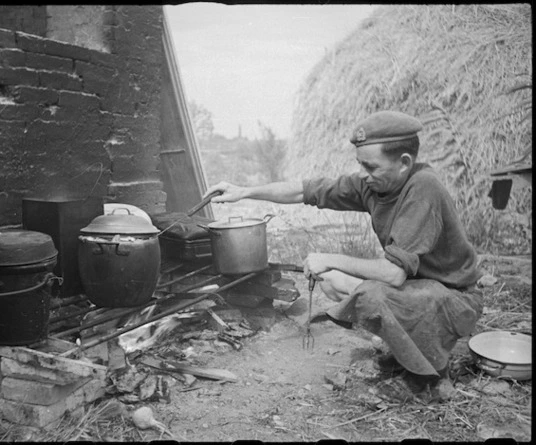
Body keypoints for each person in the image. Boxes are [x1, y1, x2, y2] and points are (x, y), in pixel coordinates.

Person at [203, 110, 483, 401]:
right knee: (334, 282)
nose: (363, 174)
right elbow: (306, 191)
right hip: (422, 289)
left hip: (456, 297)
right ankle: (405, 353)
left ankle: (428, 377)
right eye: (360, 165)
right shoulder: (377, 183)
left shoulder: (423, 188)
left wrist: (331, 258)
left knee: (373, 295)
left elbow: (393, 273)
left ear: (404, 163)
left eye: (371, 167)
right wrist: (245, 191)